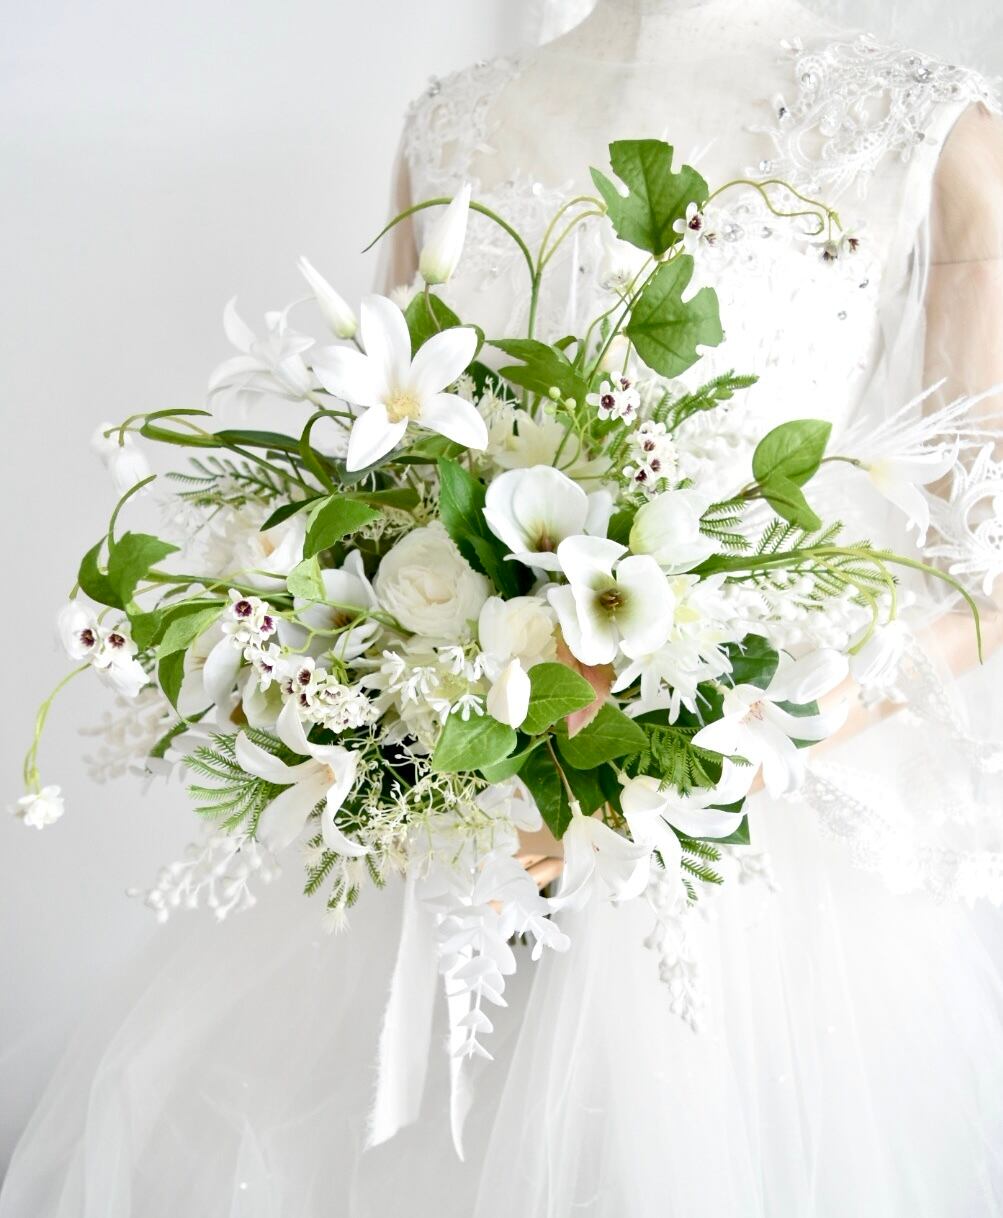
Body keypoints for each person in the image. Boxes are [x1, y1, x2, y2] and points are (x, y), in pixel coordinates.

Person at [4, 1, 1003, 1212]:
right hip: (451, 811)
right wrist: (371, 685)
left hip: (754, 847)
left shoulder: (922, 129)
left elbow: (986, 571)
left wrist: (744, 740)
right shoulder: (454, 123)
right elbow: (386, 482)